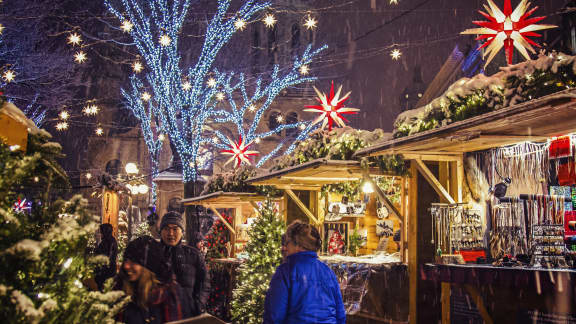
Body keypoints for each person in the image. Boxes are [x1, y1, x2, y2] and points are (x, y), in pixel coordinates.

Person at [264, 220, 346, 324]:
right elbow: (340, 314)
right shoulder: (327, 271)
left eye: (287, 243)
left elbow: (274, 316)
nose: (285, 247)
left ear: (298, 245)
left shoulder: (285, 271)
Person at [116, 236, 187, 323]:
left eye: (134, 262)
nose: (126, 266)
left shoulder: (169, 295)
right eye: (126, 260)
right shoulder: (122, 289)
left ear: (149, 267)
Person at [159, 211, 211, 318]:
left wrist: (198, 305)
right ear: (161, 231)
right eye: (166, 228)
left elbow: (204, 283)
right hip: (159, 315)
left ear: (182, 232)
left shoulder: (193, 255)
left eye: (175, 229)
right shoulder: (152, 253)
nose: (170, 233)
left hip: (187, 315)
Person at [94, 223, 118, 290]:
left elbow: (108, 257)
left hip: (106, 271)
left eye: (101, 232)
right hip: (106, 270)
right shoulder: (108, 241)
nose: (100, 234)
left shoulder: (109, 242)